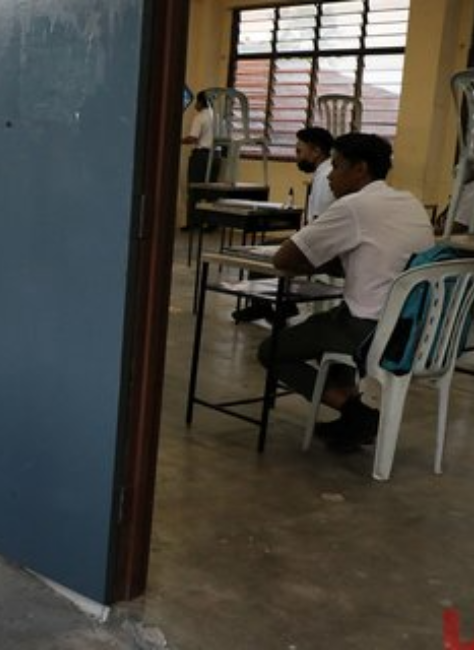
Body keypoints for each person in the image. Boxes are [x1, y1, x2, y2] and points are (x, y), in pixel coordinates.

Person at [258, 133, 434, 453]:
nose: (330, 176)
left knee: (273, 350)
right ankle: (351, 420)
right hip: (413, 327)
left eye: (336, 167)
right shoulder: (409, 202)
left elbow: (284, 258)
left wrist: (311, 263)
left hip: (370, 330)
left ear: (360, 169)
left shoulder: (354, 206)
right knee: (329, 322)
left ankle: (357, 411)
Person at [232, 126, 337, 323]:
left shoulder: (326, 176)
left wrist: (297, 241)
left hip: (321, 243)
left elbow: (319, 222)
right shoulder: (324, 173)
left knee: (263, 250)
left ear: (316, 151)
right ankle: (277, 307)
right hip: (319, 237)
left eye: (299, 151)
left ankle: (272, 306)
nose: (296, 157)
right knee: (269, 247)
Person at [181, 90, 222, 231]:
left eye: (196, 102)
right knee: (211, 191)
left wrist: (178, 140)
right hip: (216, 156)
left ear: (201, 102)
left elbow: (193, 138)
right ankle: (212, 223)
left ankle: (194, 223)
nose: (195, 105)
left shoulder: (200, 117)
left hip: (202, 156)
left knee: (194, 190)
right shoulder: (217, 116)